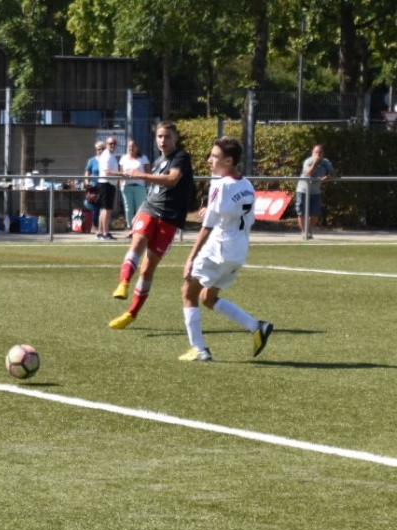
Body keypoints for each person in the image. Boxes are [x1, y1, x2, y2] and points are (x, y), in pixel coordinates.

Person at [179, 137, 273, 362]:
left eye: (215, 156)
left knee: (188, 292)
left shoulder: (220, 185)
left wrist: (191, 257)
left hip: (218, 249)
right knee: (207, 297)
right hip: (238, 251)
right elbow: (239, 214)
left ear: (229, 161)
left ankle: (199, 349)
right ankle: (256, 326)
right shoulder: (247, 184)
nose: (210, 160)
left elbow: (208, 226)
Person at [108, 121, 195, 329]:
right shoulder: (157, 161)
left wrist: (141, 175)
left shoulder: (181, 157)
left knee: (147, 270)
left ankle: (131, 314)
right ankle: (124, 283)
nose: (163, 140)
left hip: (170, 218)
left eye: (167, 136)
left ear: (176, 138)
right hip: (150, 210)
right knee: (137, 243)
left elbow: (172, 180)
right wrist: (139, 212)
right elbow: (152, 192)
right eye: (160, 136)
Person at [295, 144, 334, 238]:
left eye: (320, 152)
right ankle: (304, 232)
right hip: (303, 190)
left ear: (323, 153)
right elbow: (309, 173)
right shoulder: (308, 161)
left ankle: (308, 230)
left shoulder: (326, 162)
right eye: (316, 152)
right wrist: (315, 163)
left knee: (315, 214)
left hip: (316, 191)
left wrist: (328, 177)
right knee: (301, 212)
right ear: (312, 153)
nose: (318, 154)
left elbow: (333, 173)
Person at [118, 140, 150, 232]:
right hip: (126, 186)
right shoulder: (123, 158)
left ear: (137, 147)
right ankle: (130, 228)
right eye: (129, 146)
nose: (131, 148)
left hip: (140, 186)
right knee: (128, 208)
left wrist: (148, 186)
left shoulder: (143, 158)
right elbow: (121, 173)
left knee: (140, 208)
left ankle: (139, 228)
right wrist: (121, 185)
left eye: (133, 146)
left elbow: (148, 172)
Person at [96, 137, 119, 240]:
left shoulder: (110, 155)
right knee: (107, 209)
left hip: (109, 184)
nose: (112, 145)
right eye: (110, 143)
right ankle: (105, 233)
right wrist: (121, 173)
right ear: (106, 144)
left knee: (105, 209)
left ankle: (100, 232)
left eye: (114, 143)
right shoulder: (106, 155)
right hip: (106, 183)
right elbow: (107, 172)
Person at [83, 142, 104, 231]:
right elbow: (87, 172)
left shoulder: (107, 160)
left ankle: (102, 226)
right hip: (94, 187)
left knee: (104, 208)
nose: (100, 151)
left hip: (104, 186)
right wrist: (87, 181)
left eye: (102, 149)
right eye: (99, 149)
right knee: (94, 207)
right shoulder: (91, 160)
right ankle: (95, 226)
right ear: (96, 150)